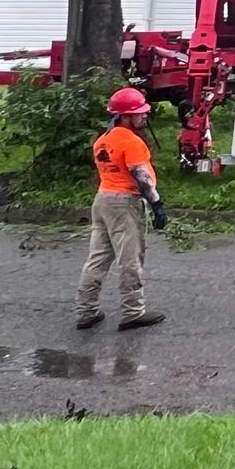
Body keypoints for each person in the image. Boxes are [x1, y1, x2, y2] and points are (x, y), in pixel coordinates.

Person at [76, 87, 170, 331]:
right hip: (125, 204)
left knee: (97, 258)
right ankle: (133, 312)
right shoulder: (132, 142)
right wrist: (157, 205)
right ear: (126, 116)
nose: (144, 116)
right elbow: (142, 177)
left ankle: (87, 310)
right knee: (130, 258)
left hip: (102, 200)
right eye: (139, 113)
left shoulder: (102, 141)